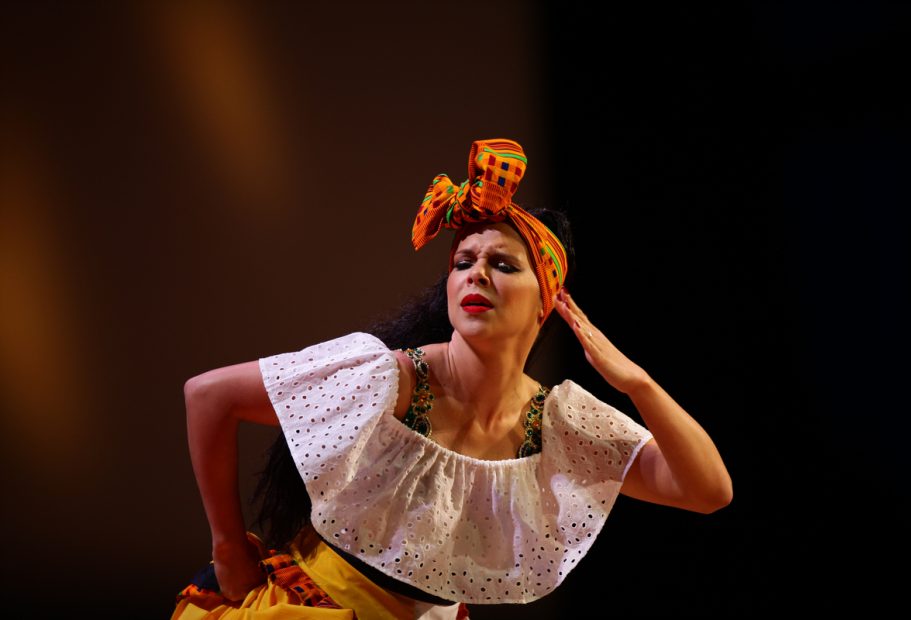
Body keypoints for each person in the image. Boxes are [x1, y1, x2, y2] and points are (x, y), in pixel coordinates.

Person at [172, 138, 732, 619]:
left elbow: (708, 491)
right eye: (464, 262)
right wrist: (228, 549)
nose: (477, 274)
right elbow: (209, 395)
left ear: (548, 302)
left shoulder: (559, 422)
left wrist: (639, 384)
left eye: (504, 265)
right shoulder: (392, 381)